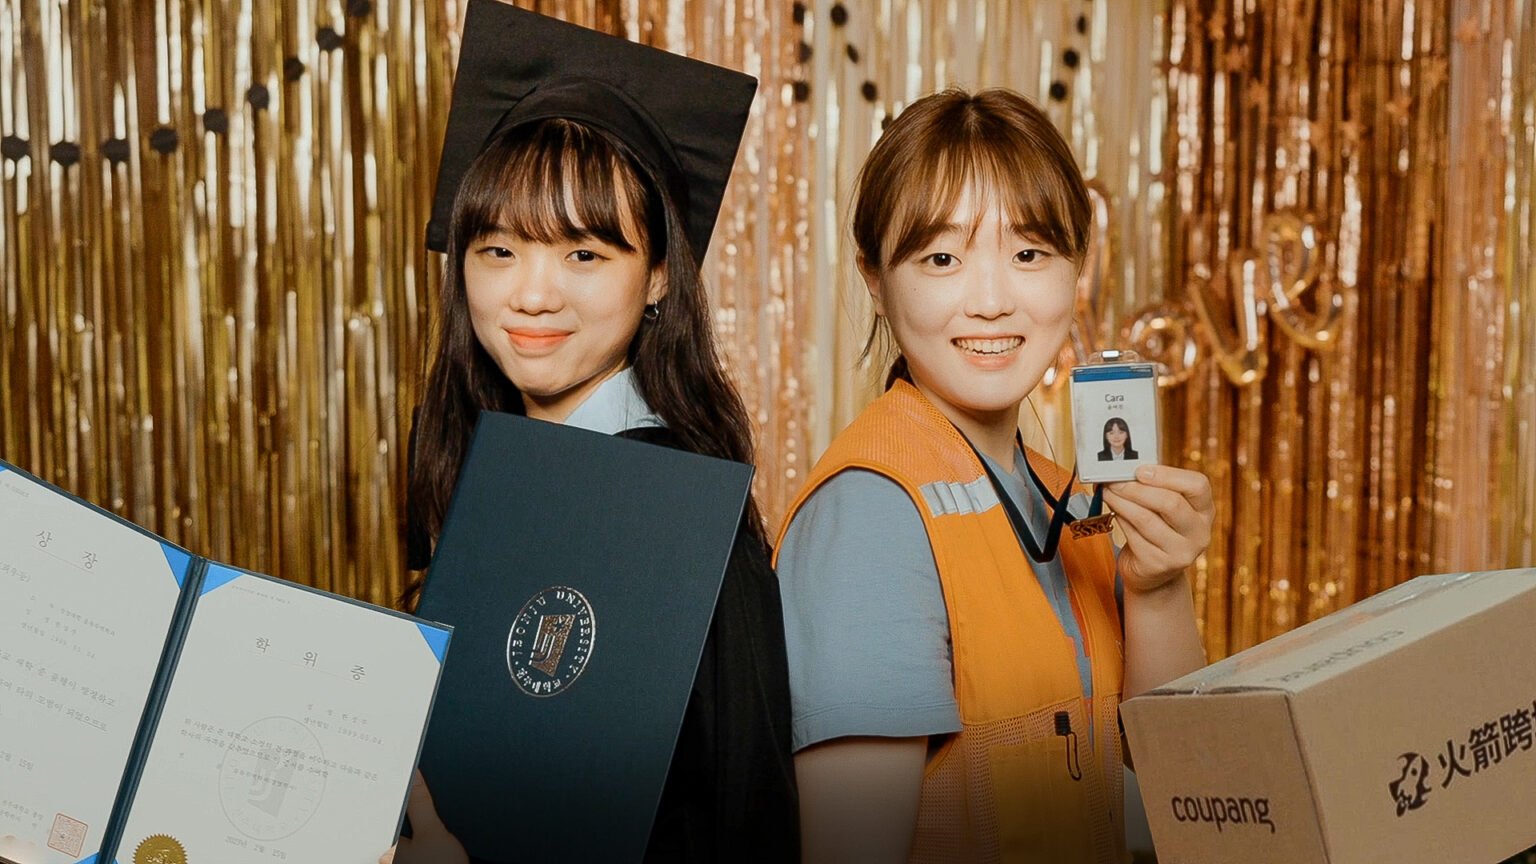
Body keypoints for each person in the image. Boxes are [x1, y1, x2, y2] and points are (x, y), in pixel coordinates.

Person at [383, 3, 797, 861]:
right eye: (499, 250)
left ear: (656, 278)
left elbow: (742, 827)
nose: (532, 296)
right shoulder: (473, 472)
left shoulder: (690, 516)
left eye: (583, 254)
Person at [774, 88, 1213, 863]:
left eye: (1029, 254)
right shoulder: (872, 515)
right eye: (941, 258)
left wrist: (1158, 586)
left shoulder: (1069, 496)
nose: (990, 300)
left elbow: (1183, 790)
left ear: (1076, 272)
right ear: (874, 278)